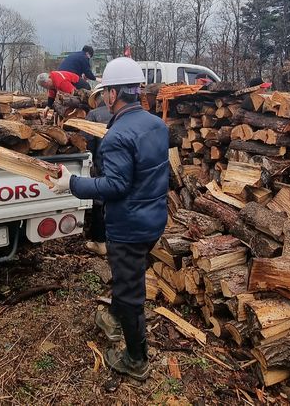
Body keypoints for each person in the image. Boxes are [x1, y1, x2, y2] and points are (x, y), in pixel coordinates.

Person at [48, 57, 169, 381]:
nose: (102, 99)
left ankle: (136, 358)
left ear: (114, 94)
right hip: (154, 220)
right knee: (128, 276)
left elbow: (115, 186)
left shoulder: (117, 136)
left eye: (104, 94)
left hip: (129, 227)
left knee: (131, 292)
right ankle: (115, 316)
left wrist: (70, 184)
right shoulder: (157, 125)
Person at [83, 84, 112, 256]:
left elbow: (88, 145)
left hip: (102, 168)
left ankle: (100, 243)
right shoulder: (124, 114)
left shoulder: (94, 115)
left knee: (99, 205)